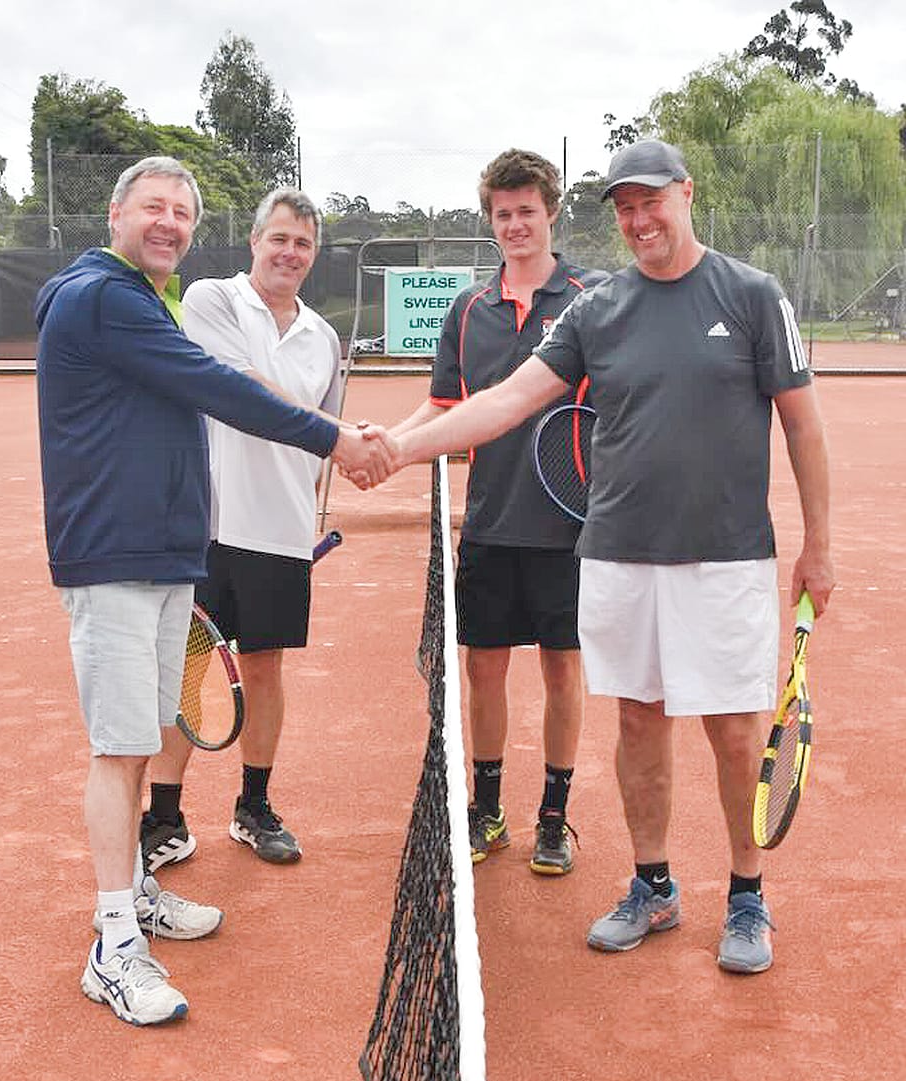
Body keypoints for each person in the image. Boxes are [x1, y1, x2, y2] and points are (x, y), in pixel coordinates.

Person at [378, 139, 834, 974]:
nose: (637, 220)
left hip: (726, 558)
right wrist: (401, 451)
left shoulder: (754, 296)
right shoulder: (594, 311)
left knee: (734, 734)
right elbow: (507, 400)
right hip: (618, 554)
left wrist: (820, 544)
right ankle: (653, 883)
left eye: (650, 201)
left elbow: (802, 423)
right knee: (637, 720)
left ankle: (745, 894)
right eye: (624, 207)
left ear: (686, 195)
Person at [36, 156, 393, 1026]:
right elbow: (222, 389)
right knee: (121, 750)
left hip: (166, 555)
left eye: (182, 213)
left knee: (152, 727)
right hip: (116, 555)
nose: (168, 222)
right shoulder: (104, 297)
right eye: (152, 207)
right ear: (115, 212)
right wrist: (339, 437)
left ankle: (139, 888)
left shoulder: (147, 296)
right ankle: (114, 944)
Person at [392, 149, 607, 876]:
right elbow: (445, 405)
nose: (515, 225)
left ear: (551, 213)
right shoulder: (467, 310)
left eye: (527, 211)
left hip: (570, 528)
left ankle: (554, 813)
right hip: (487, 523)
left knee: (561, 671)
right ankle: (487, 810)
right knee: (482, 669)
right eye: (503, 214)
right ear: (491, 221)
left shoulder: (592, 297)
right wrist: (388, 443)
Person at [141, 188, 340, 871]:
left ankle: (253, 807)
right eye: (279, 238)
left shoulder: (326, 338)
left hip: (280, 536)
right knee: (187, 667)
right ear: (254, 241)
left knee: (264, 668)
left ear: (314, 255)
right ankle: (163, 816)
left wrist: (298, 505)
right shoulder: (213, 299)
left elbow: (319, 451)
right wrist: (341, 436)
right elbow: (241, 384)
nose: (290, 253)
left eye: (303, 244)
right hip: (207, 526)